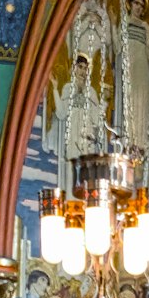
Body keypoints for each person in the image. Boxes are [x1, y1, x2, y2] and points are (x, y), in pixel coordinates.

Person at [48, 53, 105, 198]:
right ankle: (71, 201)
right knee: (73, 171)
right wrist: (55, 88)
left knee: (87, 174)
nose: (83, 72)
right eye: (80, 67)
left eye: (86, 68)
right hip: (72, 136)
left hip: (87, 138)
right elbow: (61, 113)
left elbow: (97, 120)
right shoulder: (68, 88)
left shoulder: (91, 92)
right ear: (74, 68)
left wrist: (104, 103)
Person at [118, 0, 149, 148]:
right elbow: (118, 46)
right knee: (128, 100)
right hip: (128, 68)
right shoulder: (124, 22)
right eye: (136, 3)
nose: (138, 7)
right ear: (130, 4)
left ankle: (139, 143)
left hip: (142, 70)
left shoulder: (146, 27)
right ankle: (126, 140)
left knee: (141, 102)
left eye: (141, 5)